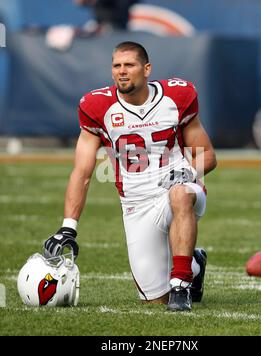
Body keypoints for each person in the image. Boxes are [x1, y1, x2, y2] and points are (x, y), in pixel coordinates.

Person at [44, 41, 217, 311]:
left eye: (129, 65)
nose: (122, 71)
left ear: (146, 69)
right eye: (117, 66)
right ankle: (194, 263)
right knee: (153, 299)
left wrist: (188, 171)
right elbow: (82, 172)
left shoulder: (177, 97)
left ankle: (181, 285)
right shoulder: (97, 106)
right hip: (136, 203)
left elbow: (207, 155)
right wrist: (68, 226)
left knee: (181, 194)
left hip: (180, 186)